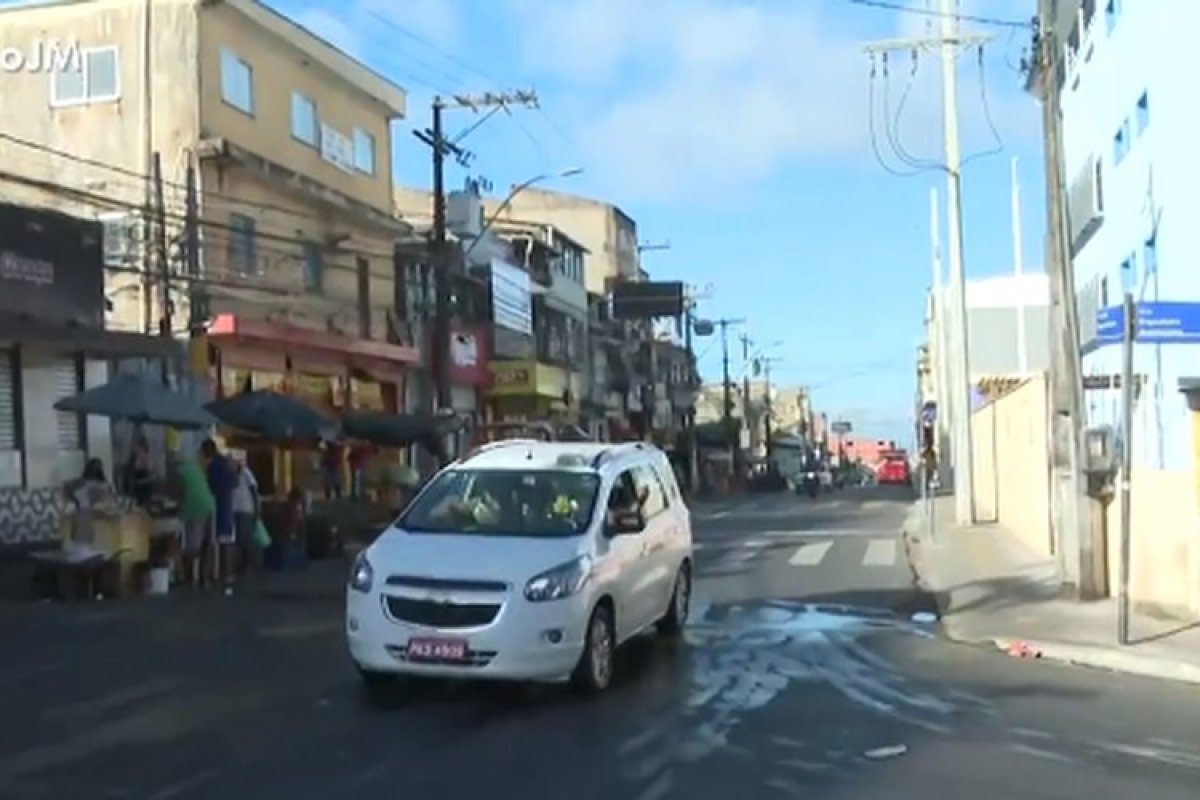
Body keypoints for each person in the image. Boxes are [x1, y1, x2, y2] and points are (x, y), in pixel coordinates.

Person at [200, 439, 237, 592]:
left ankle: (208, 577)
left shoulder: (213, 466)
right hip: (227, 504)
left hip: (217, 506)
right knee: (226, 541)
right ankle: (227, 574)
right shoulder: (226, 464)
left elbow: (211, 486)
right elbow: (234, 482)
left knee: (212, 542)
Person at [62, 458, 117, 559]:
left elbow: (66, 488)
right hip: (86, 537)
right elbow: (108, 503)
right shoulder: (98, 487)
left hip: (79, 537)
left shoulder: (78, 484)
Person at [231, 452, 260, 577]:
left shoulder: (246, 473)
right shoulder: (231, 475)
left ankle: (249, 565)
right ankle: (241, 565)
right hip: (234, 509)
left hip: (245, 509)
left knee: (245, 539)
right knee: (237, 539)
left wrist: (257, 510)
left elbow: (254, 491)